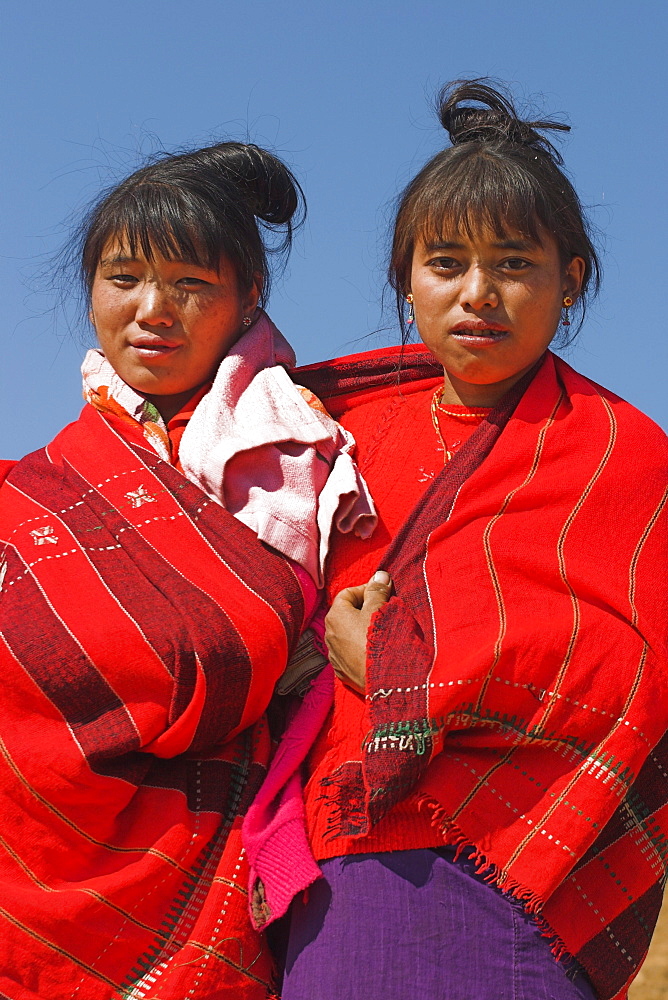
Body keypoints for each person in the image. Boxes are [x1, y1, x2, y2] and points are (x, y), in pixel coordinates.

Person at [279, 82, 668, 1000]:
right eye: (445, 263)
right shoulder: (327, 432)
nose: (478, 295)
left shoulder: (621, 451)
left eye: (515, 264)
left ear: (570, 279)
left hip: (515, 876)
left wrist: (399, 666)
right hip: (339, 869)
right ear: (404, 278)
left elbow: (632, 675)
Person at [0, 141, 375, 999]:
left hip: (222, 821)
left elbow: (264, 624)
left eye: (191, 285)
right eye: (123, 278)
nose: (151, 310)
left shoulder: (303, 442)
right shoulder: (54, 476)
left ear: (250, 298)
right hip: (44, 825)